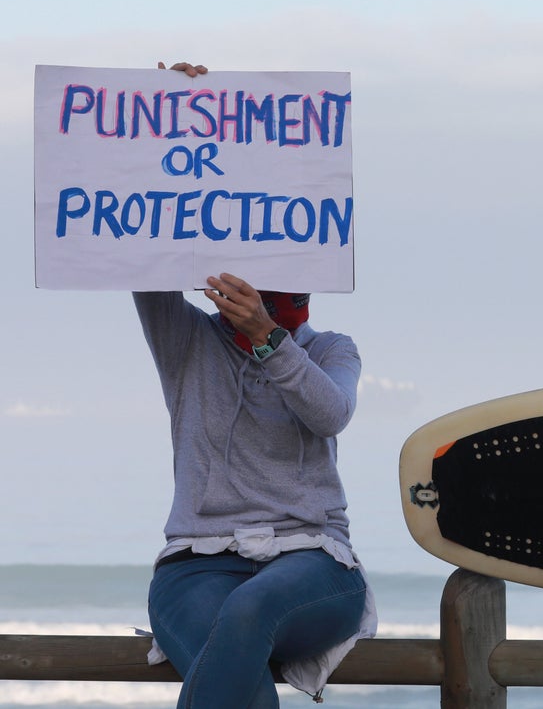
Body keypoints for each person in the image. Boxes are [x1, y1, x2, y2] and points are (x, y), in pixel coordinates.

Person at [138, 62, 375, 708]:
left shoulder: (329, 348)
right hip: (196, 562)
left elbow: (330, 414)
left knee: (246, 614)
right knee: (229, 641)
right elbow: (138, 246)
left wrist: (271, 339)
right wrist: (165, 116)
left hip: (312, 561)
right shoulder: (189, 341)